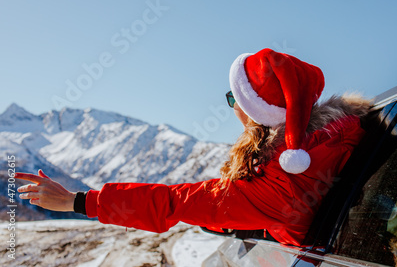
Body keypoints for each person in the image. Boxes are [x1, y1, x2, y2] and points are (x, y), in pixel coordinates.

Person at [16, 48, 371, 246]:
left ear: (256, 112)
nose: (231, 104)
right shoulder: (348, 129)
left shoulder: (277, 179)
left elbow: (173, 202)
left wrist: (77, 201)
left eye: (234, 96)